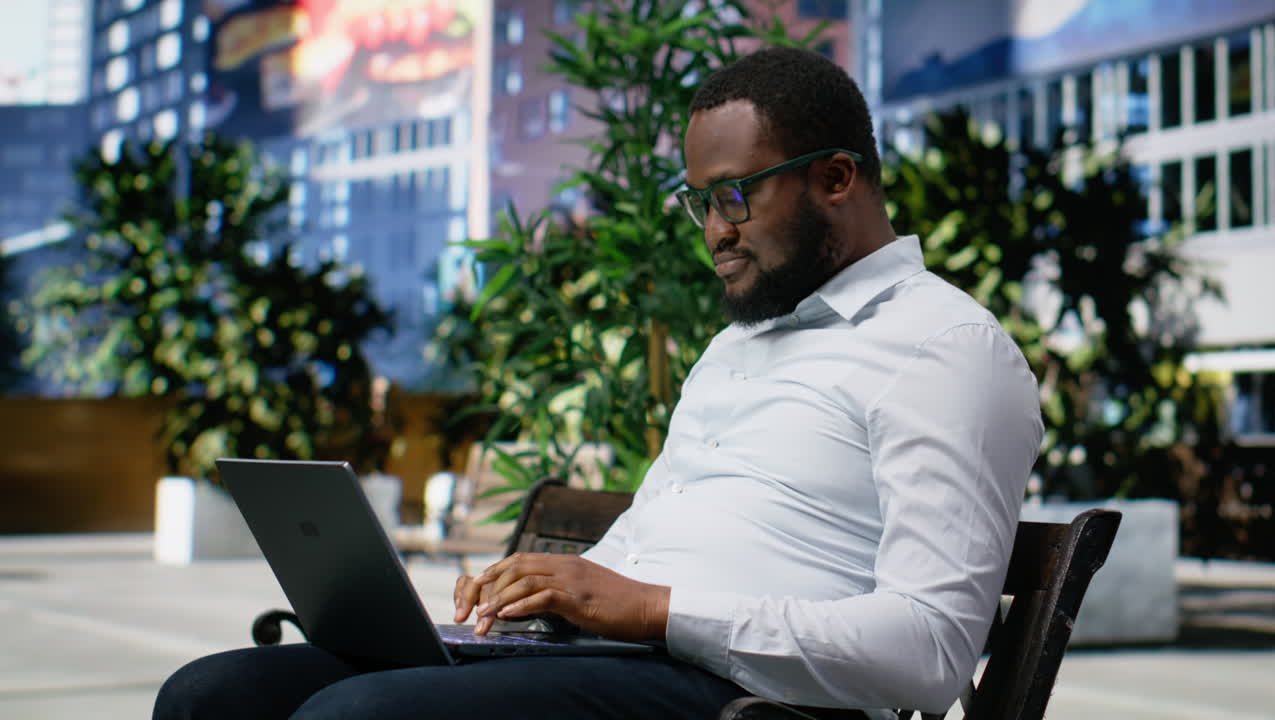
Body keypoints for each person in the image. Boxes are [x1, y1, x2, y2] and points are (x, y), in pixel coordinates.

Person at [153, 47, 1042, 720]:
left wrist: (648, 607)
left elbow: (928, 651)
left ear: (836, 179)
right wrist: (545, 591)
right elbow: (652, 545)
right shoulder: (739, 343)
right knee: (215, 695)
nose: (714, 233)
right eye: (698, 202)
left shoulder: (944, 347)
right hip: (607, 662)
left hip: (741, 698)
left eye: (735, 197)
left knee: (355, 719)